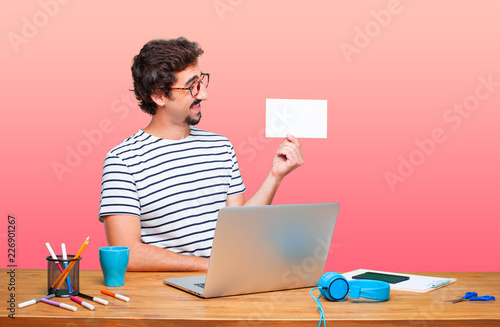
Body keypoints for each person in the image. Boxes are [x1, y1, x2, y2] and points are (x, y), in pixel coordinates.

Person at [99, 37, 303, 272]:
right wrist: (210, 267)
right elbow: (128, 254)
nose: (204, 94)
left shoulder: (220, 146)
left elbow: (238, 228)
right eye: (191, 86)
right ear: (159, 96)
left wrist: (275, 176)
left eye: (202, 82)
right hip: (162, 296)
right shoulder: (123, 160)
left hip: (222, 281)